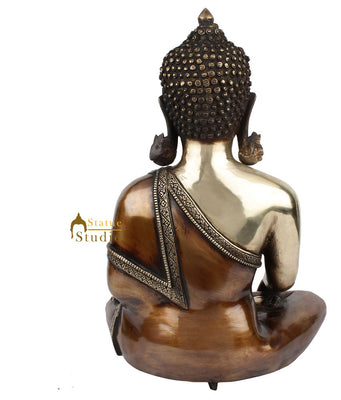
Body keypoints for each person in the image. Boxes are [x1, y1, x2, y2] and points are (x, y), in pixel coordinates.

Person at [106, 9, 326, 389]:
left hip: (147, 346)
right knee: (311, 304)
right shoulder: (276, 198)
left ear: (167, 111)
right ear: (246, 109)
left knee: (113, 309)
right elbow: (282, 284)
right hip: (240, 346)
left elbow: (119, 291)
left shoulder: (135, 197)